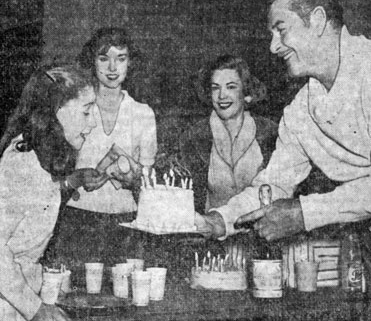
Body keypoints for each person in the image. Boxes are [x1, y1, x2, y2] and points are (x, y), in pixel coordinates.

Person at [196, 0, 371, 291]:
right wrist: (218, 221)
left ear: (317, 20)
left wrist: (305, 213)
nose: (274, 46)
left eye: (281, 30)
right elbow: (273, 184)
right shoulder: (301, 110)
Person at [0, 66, 102, 320]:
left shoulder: (39, 153)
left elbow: (34, 200)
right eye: (86, 111)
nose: (92, 122)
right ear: (56, 111)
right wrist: (35, 310)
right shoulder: (21, 164)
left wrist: (68, 183)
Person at [51, 27, 157, 266]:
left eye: (121, 59)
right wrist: (76, 178)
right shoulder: (75, 107)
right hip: (77, 221)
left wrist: (135, 179)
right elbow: (54, 172)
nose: (112, 68)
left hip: (128, 223)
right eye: (103, 58)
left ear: (130, 63)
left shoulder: (143, 113)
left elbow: (150, 183)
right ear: (92, 61)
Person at [179, 55, 278, 264]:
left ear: (246, 93)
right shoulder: (195, 137)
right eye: (215, 88)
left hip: (264, 247)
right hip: (212, 250)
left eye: (231, 87)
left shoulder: (270, 133)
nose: (222, 95)